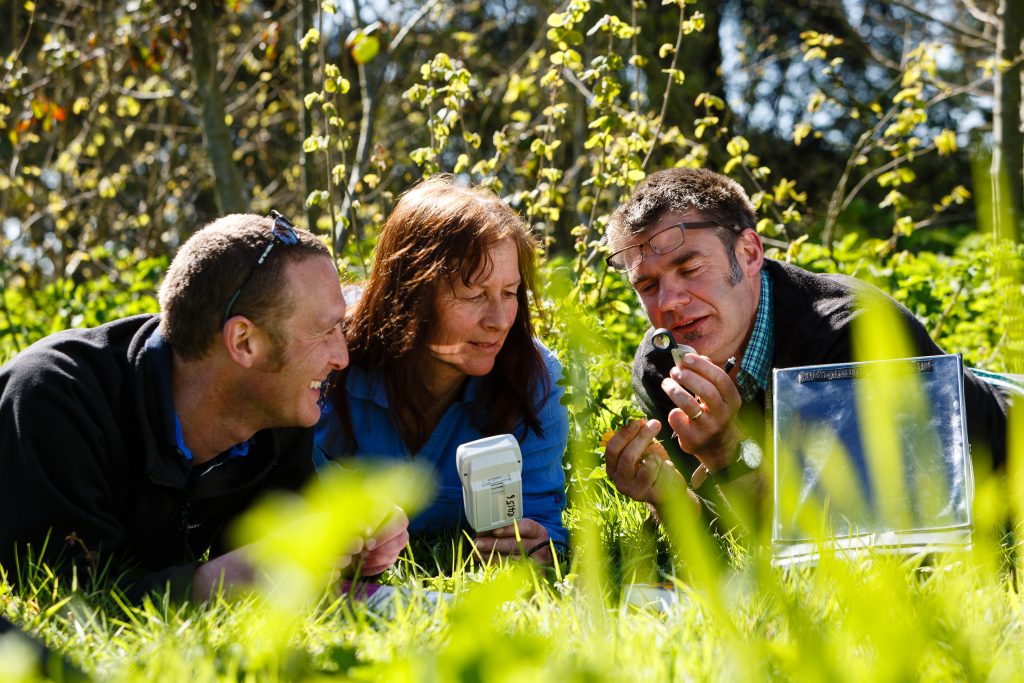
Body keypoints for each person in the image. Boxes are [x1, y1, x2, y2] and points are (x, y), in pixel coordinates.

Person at [0, 212, 408, 601]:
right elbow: (59, 597)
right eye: (325, 331)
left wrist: (350, 550)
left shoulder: (277, 407)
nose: (342, 356)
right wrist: (217, 580)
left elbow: (277, 560)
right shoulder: (52, 401)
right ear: (244, 342)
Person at [600, 167, 1009, 524]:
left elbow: (851, 535)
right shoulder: (660, 366)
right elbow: (729, 530)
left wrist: (726, 450)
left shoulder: (854, 334)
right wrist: (670, 500)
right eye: (648, 286)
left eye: (690, 268)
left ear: (748, 253)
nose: (669, 303)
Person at [314, 176, 569, 563]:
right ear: (410, 292)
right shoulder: (330, 359)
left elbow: (542, 526)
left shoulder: (535, 380)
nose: (499, 320)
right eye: (473, 294)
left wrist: (538, 547)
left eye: (509, 292)